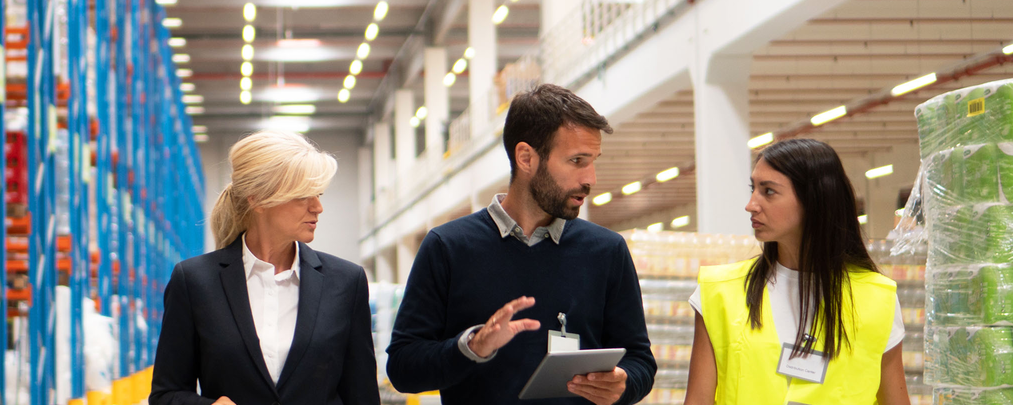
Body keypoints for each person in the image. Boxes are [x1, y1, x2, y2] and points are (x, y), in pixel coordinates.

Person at [385, 84, 656, 405]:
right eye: (577, 160)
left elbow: (640, 361)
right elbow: (402, 368)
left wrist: (623, 383)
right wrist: (472, 347)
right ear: (526, 157)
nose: (591, 178)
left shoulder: (607, 251)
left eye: (593, 160)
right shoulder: (447, 247)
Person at [150, 130, 379, 405]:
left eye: (318, 194)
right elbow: (165, 395)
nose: (318, 207)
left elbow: (362, 396)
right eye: (303, 195)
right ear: (256, 198)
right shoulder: (194, 281)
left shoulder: (346, 282)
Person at [683, 139, 910, 405]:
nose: (751, 204)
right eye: (753, 188)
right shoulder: (719, 292)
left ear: (813, 200)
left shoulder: (877, 298)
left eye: (768, 191)